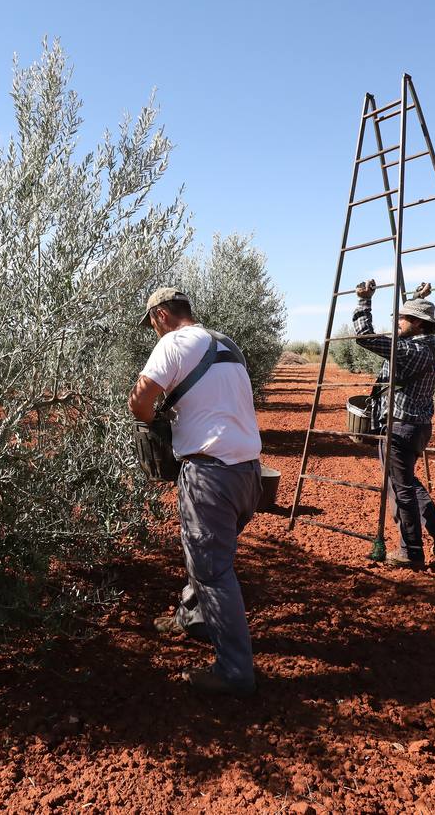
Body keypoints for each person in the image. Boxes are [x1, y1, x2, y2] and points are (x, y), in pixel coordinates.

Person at [128, 287, 263, 697]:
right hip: (249, 474)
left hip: (210, 475)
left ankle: (235, 672)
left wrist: (155, 421)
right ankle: (192, 617)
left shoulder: (173, 343)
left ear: (162, 315)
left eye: (152, 322)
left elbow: (139, 402)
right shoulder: (227, 343)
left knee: (213, 569)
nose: (154, 329)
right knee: (204, 551)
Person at [352, 278, 435, 568]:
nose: (399, 321)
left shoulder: (409, 352)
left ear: (420, 324)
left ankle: (410, 551)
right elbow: (408, 332)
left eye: (405, 317)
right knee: (406, 481)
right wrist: (415, 299)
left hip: (399, 427)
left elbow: (365, 337)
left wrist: (364, 300)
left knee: (401, 490)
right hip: (420, 426)